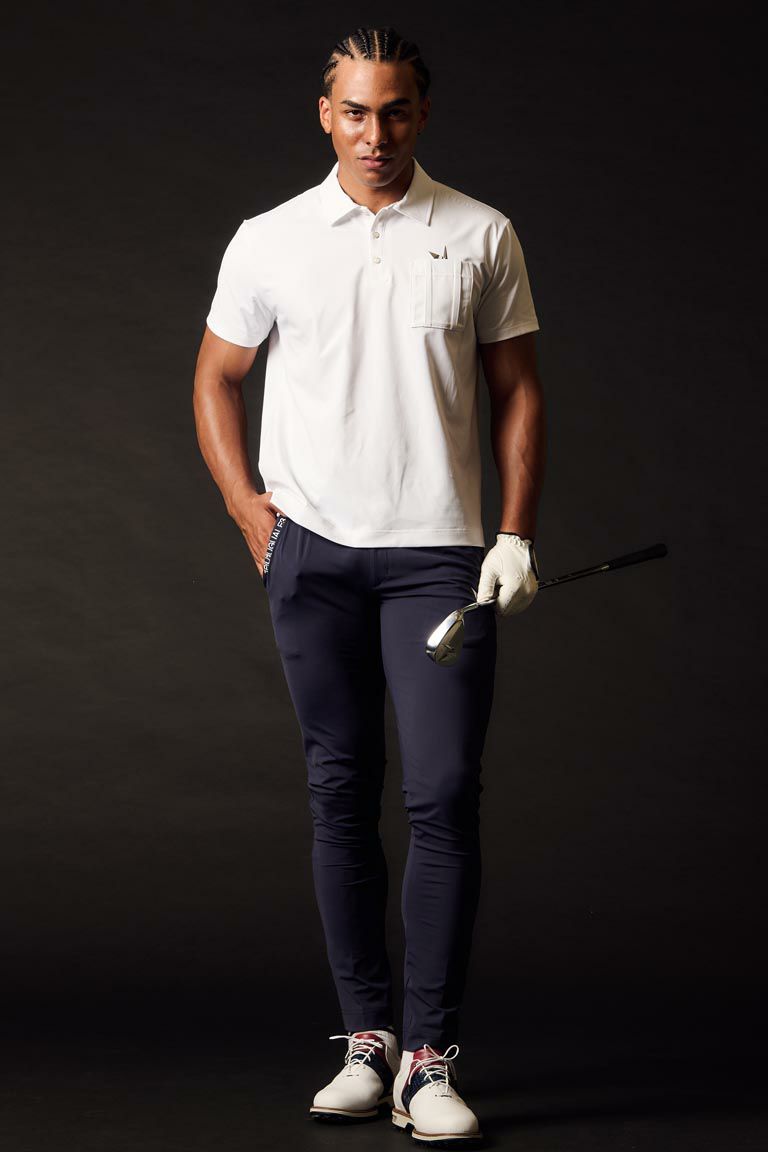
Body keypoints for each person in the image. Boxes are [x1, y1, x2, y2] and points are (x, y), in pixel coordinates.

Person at [193, 25, 545, 1148]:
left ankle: (430, 1060)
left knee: (442, 795)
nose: (375, 133)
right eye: (355, 111)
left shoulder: (481, 233)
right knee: (339, 794)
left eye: (394, 111)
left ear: (421, 115)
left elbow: (518, 391)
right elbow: (216, 376)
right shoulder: (271, 238)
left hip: (439, 557)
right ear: (325, 114)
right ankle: (366, 1043)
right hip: (314, 556)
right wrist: (248, 509)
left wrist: (514, 534)